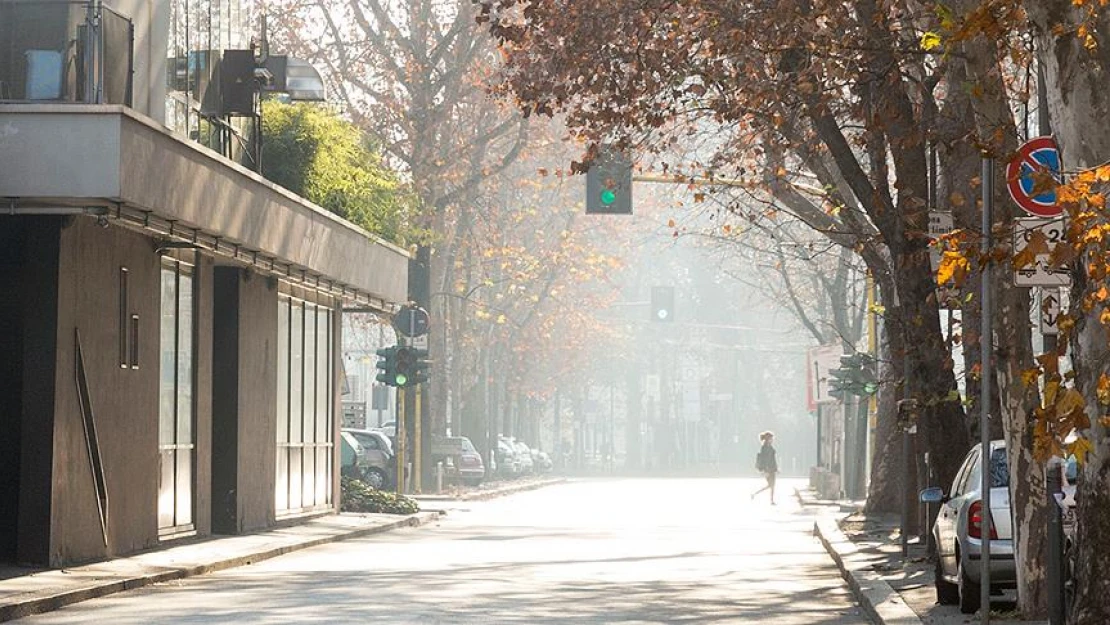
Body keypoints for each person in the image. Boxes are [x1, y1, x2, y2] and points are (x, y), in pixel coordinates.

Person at [751, 431, 778, 504]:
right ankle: (755, 494)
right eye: (771, 438)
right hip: (768, 469)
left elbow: (773, 459)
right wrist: (765, 471)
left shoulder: (770, 447)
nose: (772, 440)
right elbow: (764, 460)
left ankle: (771, 500)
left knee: (772, 485)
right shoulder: (764, 448)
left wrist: (776, 468)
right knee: (770, 485)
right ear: (768, 439)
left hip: (772, 469)